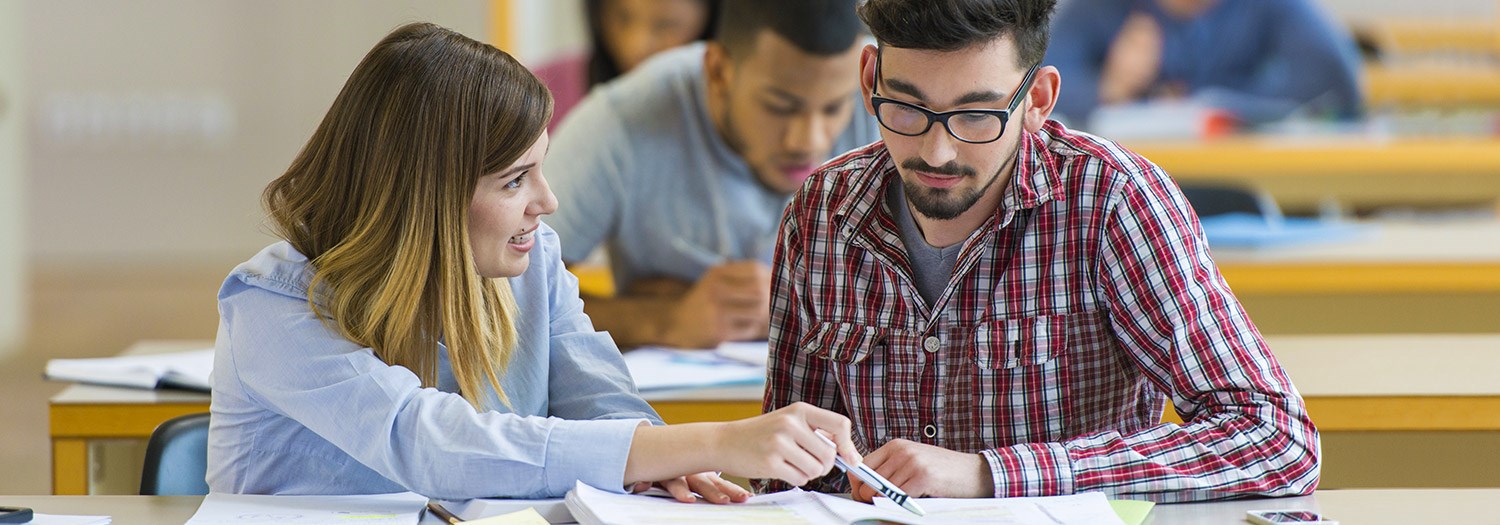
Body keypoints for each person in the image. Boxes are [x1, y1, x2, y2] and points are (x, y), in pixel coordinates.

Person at [205, 22, 860, 501]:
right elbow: (425, 441)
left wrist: (658, 458)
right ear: (426, 195)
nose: (546, 202)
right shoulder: (270, 303)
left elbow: (600, 396)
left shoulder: (531, 260)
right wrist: (713, 441)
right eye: (516, 180)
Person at [762, 0, 1318, 503]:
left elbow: (1276, 439)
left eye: (976, 115)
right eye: (906, 108)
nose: (937, 151)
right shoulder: (821, 213)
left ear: (1038, 100)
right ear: (868, 81)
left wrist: (989, 475)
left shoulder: (1111, 201)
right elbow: (788, 474)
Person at [545, 0, 880, 350]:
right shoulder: (620, 122)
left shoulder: (882, 97)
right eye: (780, 107)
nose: (809, 141)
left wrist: (801, 307)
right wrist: (663, 318)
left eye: (834, 107)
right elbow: (507, 291)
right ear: (719, 70)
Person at [1044, 0, 1363, 126]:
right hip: (1134, 170)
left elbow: (1333, 82)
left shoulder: (1270, 6)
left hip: (1245, 166)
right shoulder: (1101, 7)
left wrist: (1217, 103)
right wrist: (1109, 89)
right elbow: (1036, 87)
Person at [533, 0, 721, 129]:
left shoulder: (731, 113)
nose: (636, 45)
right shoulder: (539, 89)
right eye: (622, 17)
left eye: (666, 25)